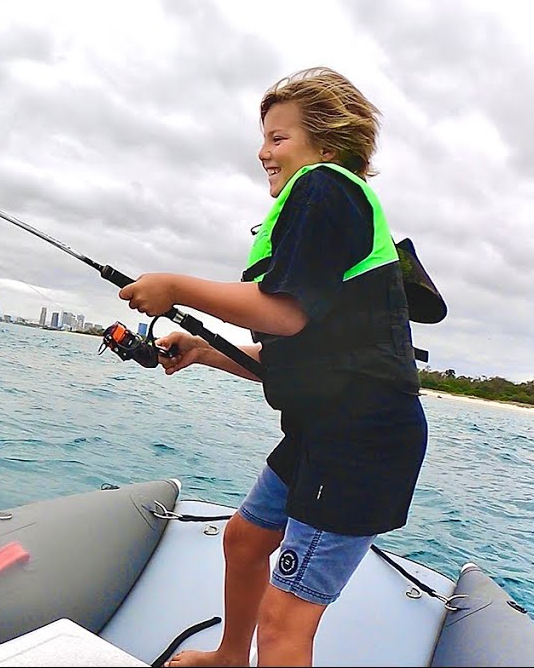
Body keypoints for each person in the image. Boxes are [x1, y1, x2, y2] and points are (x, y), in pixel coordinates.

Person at [118, 67, 428, 667]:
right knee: (243, 539)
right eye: (263, 138)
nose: (263, 151)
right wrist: (206, 351)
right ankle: (232, 657)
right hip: (322, 433)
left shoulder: (323, 188)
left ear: (327, 145)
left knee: (284, 622)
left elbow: (283, 315)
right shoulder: (320, 211)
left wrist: (176, 286)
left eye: (278, 138)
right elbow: (296, 355)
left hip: (362, 443)